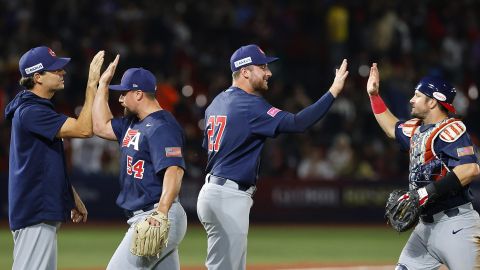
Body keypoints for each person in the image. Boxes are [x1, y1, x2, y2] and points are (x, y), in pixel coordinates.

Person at [196, 44, 349, 270]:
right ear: (245, 72)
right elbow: (298, 123)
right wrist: (333, 92)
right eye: (262, 66)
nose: (268, 72)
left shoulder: (216, 103)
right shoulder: (249, 104)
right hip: (228, 195)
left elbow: (207, 146)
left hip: (213, 192)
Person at [366, 63, 480, 269]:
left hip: (455, 225)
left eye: (417, 95)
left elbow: (469, 169)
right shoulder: (416, 129)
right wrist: (374, 95)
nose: (411, 99)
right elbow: (391, 128)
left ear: (433, 102)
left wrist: (424, 193)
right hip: (425, 227)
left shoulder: (452, 129)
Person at [5, 46, 105, 269]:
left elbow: (45, 161)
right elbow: (83, 129)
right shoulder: (31, 111)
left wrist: (70, 194)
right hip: (35, 210)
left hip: (38, 208)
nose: (63, 72)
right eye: (55, 69)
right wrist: (91, 85)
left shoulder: (34, 108)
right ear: (37, 77)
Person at [92, 57, 187, 270]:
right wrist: (103, 86)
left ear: (138, 94)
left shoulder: (162, 127)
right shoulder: (132, 123)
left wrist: (161, 212)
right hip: (149, 214)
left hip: (157, 214)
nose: (120, 99)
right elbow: (100, 126)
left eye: (124, 93)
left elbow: (174, 170)